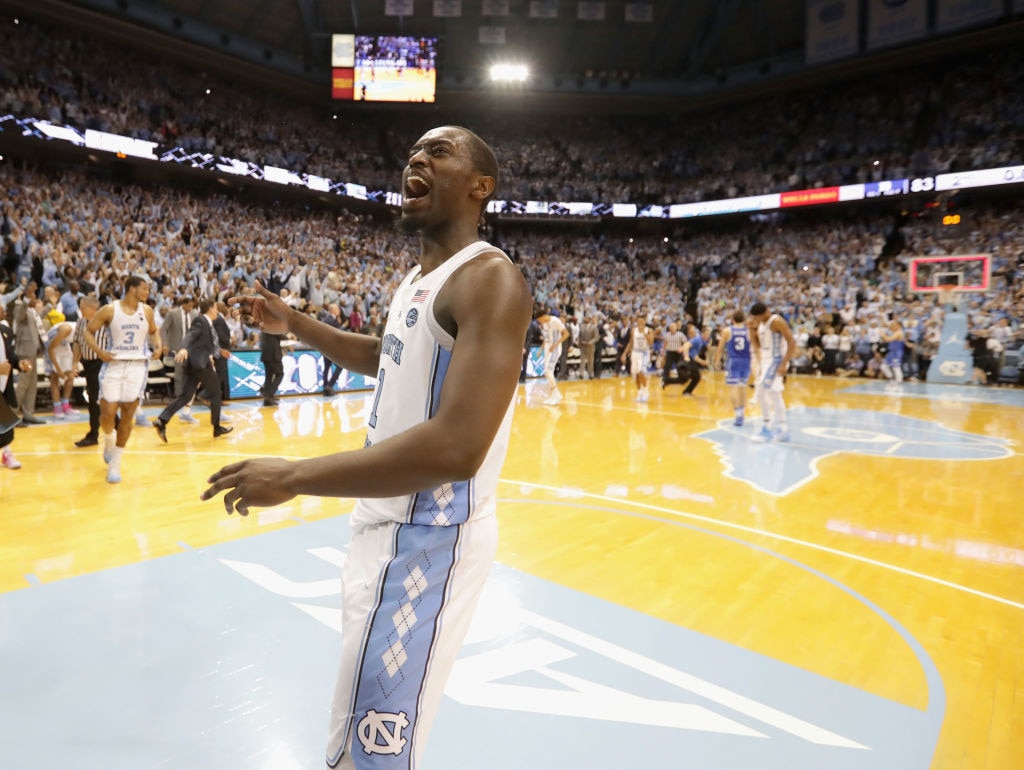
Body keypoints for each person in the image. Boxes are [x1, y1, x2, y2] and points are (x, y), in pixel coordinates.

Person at [201, 125, 532, 770]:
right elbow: (388, 356)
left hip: (429, 541)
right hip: (384, 529)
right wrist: (297, 324)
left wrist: (294, 476)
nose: (417, 158)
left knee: (370, 757)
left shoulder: (490, 279)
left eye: (439, 151)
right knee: (357, 743)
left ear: (480, 187)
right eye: (413, 151)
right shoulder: (419, 278)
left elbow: (458, 447)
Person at [84, 275, 162, 483]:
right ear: (132, 289)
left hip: (137, 366)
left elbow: (154, 331)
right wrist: (100, 352)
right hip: (114, 365)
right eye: (144, 288)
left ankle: (115, 463)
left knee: (128, 413)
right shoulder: (110, 309)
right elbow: (88, 332)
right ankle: (109, 440)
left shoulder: (147, 311)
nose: (147, 292)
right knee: (107, 413)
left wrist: (158, 346)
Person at [152, 298, 233, 442]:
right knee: (216, 393)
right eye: (216, 308)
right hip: (200, 364)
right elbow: (190, 336)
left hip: (194, 364)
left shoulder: (207, 323)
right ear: (211, 308)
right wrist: (183, 348)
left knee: (185, 396)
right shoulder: (200, 321)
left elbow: (201, 344)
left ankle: (162, 420)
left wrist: (219, 351)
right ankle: (217, 427)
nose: (217, 311)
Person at [749, 301, 796, 442]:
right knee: (771, 393)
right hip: (766, 361)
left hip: (776, 360)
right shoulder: (761, 324)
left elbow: (791, 341)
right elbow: (758, 346)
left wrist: (784, 363)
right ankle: (781, 429)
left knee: (764, 391)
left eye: (757, 317)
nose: (756, 319)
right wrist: (751, 331)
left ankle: (769, 428)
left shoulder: (776, 321)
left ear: (765, 312)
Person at [71, 296, 109, 447]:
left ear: (93, 309)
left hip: (101, 364)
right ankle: (115, 426)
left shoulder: (106, 322)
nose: (80, 309)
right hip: (87, 364)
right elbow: (77, 342)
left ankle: (94, 434)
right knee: (97, 398)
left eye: (83, 307)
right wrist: (75, 362)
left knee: (95, 399)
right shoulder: (81, 322)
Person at [0, 301, 32, 468]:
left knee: (5, 429)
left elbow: (10, 356)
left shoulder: (5, 331)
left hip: (3, 386)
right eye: (0, 309)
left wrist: (20, 363)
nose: (4, 312)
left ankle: (7, 454)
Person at [159, 296, 200, 424]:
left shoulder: (194, 314)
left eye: (192, 306)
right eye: (189, 306)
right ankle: (178, 400)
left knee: (191, 376)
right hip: (177, 348)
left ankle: (186, 403)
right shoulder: (173, 313)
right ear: (184, 304)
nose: (191, 308)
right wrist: (165, 344)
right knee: (179, 375)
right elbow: (164, 329)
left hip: (192, 349)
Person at [713, 310, 752, 426]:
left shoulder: (727, 331)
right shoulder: (749, 331)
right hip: (746, 361)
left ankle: (738, 414)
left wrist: (717, 361)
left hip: (733, 361)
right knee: (742, 388)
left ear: (733, 320)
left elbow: (720, 348)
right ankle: (742, 413)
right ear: (744, 320)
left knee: (733, 388)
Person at [44, 310, 76, 419]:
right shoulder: (66, 329)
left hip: (64, 344)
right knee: (55, 377)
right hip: (51, 345)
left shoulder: (83, 331)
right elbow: (50, 349)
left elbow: (78, 348)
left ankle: (65, 404)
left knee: (70, 377)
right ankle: (57, 407)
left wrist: (75, 364)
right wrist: (58, 368)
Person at [535, 306, 568, 405]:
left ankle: (557, 394)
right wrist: (541, 350)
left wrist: (555, 344)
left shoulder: (555, 321)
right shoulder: (544, 324)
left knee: (548, 371)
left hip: (555, 350)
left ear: (543, 316)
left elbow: (566, 334)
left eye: (540, 320)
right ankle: (554, 394)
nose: (539, 322)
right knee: (547, 372)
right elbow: (546, 338)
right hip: (547, 350)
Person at [621, 312, 653, 402]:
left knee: (641, 373)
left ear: (645, 321)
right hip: (635, 353)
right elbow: (630, 343)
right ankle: (640, 393)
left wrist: (644, 334)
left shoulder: (649, 330)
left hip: (644, 353)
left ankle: (646, 392)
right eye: (638, 321)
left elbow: (651, 343)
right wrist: (624, 353)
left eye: (642, 321)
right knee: (636, 375)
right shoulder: (633, 330)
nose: (640, 323)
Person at [259, 329, 284, 406]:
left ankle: (267, 397)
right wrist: (289, 338)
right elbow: (278, 334)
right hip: (273, 354)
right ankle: (269, 395)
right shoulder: (272, 326)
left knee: (269, 376)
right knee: (280, 374)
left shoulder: (265, 326)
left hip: (265, 354)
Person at [880, 318, 905, 389]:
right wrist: (884, 323)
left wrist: (882, 333)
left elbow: (888, 339)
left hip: (897, 352)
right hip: (892, 352)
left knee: (896, 367)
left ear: (898, 325)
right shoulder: (895, 331)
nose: (892, 326)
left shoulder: (899, 332)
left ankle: (899, 382)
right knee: (883, 366)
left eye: (894, 325)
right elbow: (889, 328)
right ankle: (891, 379)